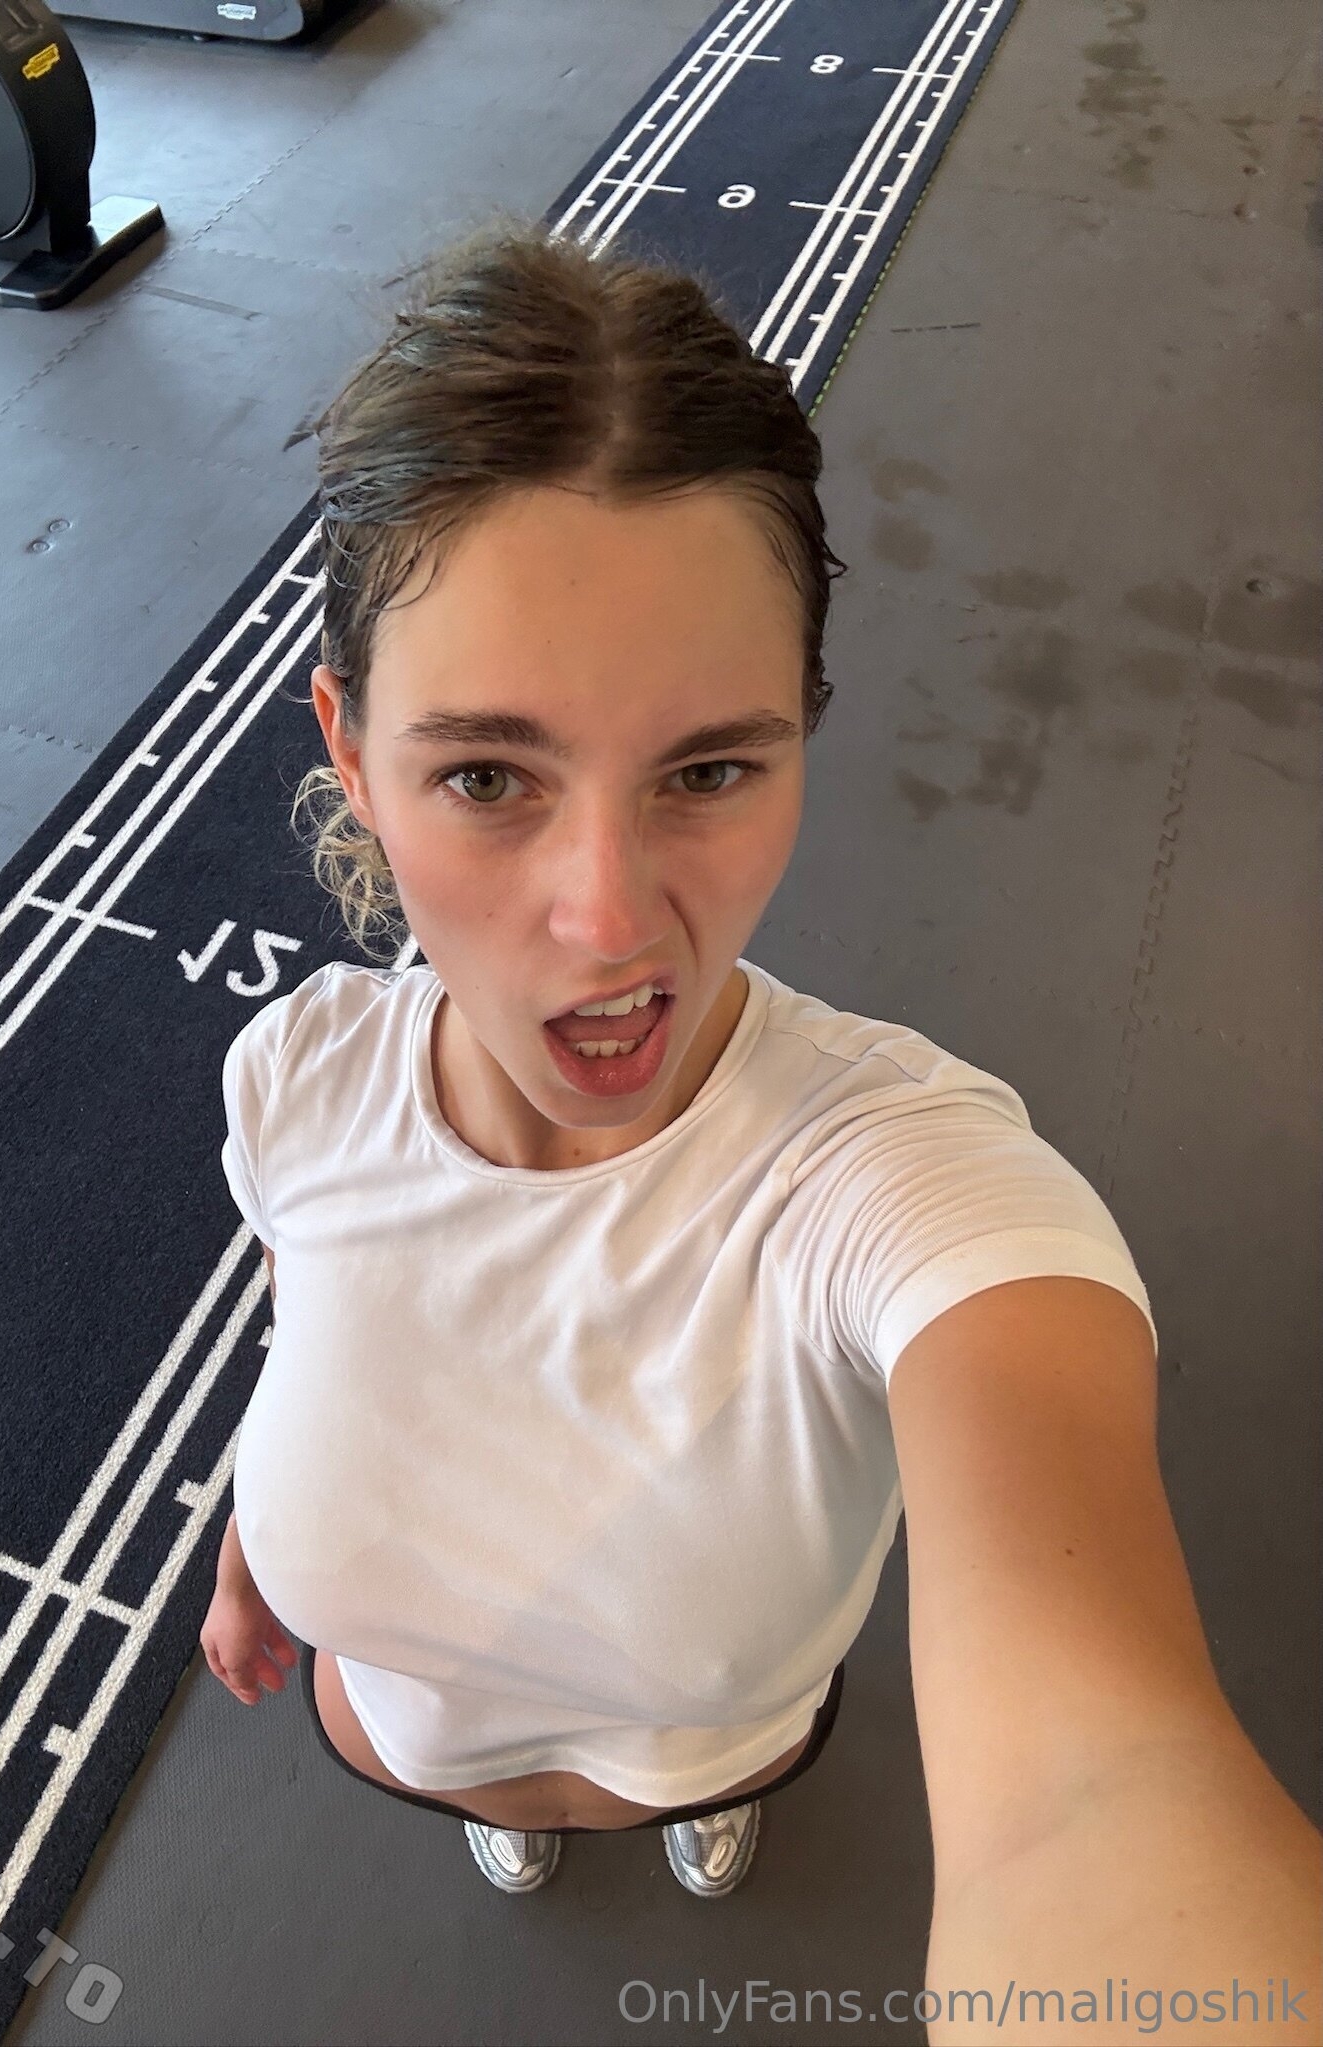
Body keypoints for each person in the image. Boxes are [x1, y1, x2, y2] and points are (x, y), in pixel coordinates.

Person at [200, 216, 1321, 2041]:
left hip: (716, 1738)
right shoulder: (295, 1076)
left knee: (707, 1769)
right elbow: (309, 1309)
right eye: (484, 775)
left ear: (800, 733)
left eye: (708, 769)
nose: (608, 921)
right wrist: (263, 1535)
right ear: (351, 753)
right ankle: (524, 1805)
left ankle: (702, 1798)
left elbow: (1101, 1789)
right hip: (407, 1731)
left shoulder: (902, 1180)